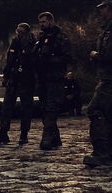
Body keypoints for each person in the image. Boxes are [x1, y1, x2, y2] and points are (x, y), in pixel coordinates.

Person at [83, 0, 112, 167]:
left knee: (95, 110)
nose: (100, 12)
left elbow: (110, 54)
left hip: (111, 77)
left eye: (102, 8)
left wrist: (95, 55)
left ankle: (101, 153)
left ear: (109, 9)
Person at [0, 23, 36, 146]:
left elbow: (34, 61)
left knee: (26, 108)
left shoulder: (32, 42)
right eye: (18, 31)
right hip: (13, 79)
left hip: (26, 80)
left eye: (21, 32)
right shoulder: (15, 42)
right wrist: (6, 76)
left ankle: (24, 135)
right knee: (6, 108)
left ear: (26, 32)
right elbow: (10, 59)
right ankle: (3, 133)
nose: (19, 33)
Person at [33, 12, 71, 150]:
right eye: (40, 22)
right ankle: (55, 138)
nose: (41, 25)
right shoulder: (41, 37)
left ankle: (47, 138)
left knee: (51, 108)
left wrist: (49, 60)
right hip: (42, 78)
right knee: (44, 108)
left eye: (44, 22)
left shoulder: (61, 37)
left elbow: (68, 57)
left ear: (51, 21)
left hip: (55, 77)